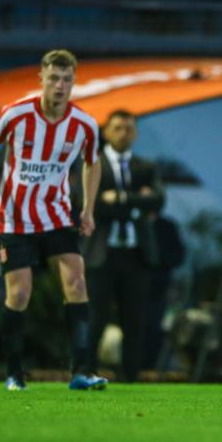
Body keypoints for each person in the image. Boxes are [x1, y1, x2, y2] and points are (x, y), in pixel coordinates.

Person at [0, 49, 107, 391]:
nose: (60, 86)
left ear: (74, 82)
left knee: (76, 281)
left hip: (57, 214)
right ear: (41, 80)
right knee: (20, 293)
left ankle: (81, 370)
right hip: (13, 217)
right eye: (54, 79)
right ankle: (14, 373)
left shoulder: (84, 124)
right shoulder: (16, 114)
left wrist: (88, 209)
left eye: (66, 80)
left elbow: (93, 162)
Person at [84, 109, 165, 382]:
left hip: (136, 254)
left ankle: (131, 377)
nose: (123, 133)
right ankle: (85, 371)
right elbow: (86, 202)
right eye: (117, 128)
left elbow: (157, 200)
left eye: (128, 128)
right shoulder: (92, 165)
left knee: (135, 320)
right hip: (101, 254)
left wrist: (117, 198)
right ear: (106, 132)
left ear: (135, 133)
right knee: (95, 319)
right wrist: (134, 204)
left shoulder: (145, 167)